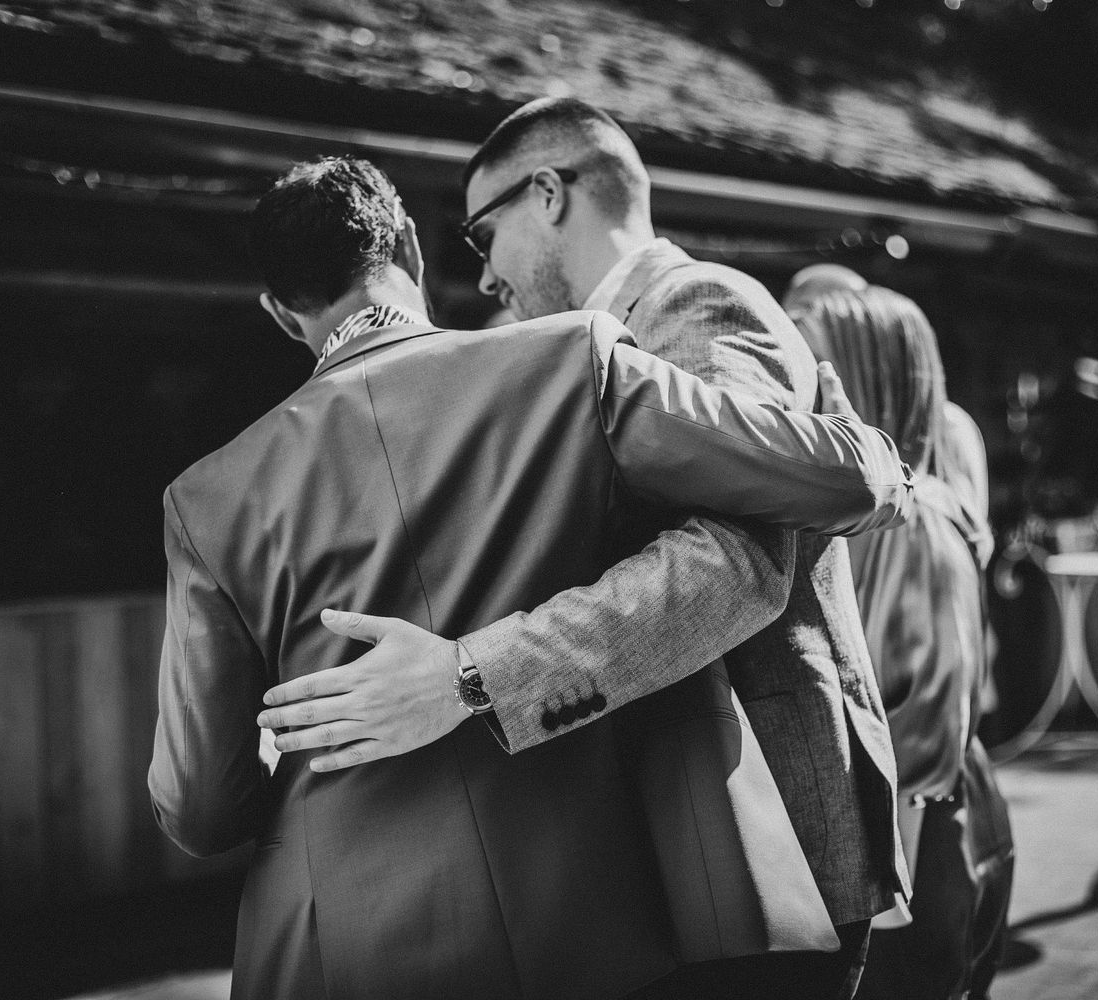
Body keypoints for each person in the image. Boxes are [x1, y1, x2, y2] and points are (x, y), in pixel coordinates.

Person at [148, 155, 912, 1000]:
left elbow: (200, 810)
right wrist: (858, 434)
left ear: (279, 312)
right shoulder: (567, 365)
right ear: (410, 246)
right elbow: (834, 484)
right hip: (590, 911)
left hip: (334, 945)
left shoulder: (205, 501)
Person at [794, 282, 1015, 1000]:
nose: (791, 374)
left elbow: (925, 726)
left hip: (913, 858)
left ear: (864, 377)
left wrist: (886, 903)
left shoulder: (914, 520)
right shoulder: (873, 509)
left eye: (811, 356)